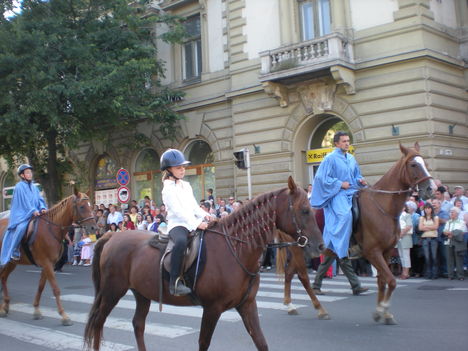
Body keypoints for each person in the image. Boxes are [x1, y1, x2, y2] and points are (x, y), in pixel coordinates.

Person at [161, 149, 212, 296]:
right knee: (181, 242)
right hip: (178, 224)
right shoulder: (167, 189)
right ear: (169, 170)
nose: (182, 170)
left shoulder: (186, 185)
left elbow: (194, 207)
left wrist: (207, 216)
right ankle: (175, 282)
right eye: (178, 167)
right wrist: (196, 224)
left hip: (192, 220)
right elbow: (178, 211)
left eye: (183, 167)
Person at [310, 131, 367, 259]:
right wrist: (340, 184)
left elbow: (356, 175)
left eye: (348, 141)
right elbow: (321, 178)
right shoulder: (329, 158)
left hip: (353, 191)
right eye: (344, 141)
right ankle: (341, 250)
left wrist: (361, 180)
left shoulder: (351, 158)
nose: (347, 144)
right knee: (345, 216)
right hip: (338, 194)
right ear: (337, 143)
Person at [0, 164, 48, 267]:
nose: (30, 174)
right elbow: (25, 202)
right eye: (27, 173)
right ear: (22, 175)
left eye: (30, 172)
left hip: (35, 214)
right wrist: (33, 210)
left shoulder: (34, 187)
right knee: (21, 228)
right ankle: (14, 250)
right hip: (22, 215)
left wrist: (43, 207)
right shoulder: (19, 187)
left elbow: (40, 199)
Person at [442, 207, 467, 280]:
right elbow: (444, 231)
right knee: (449, 259)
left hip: (458, 242)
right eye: (450, 212)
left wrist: (451, 233)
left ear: (457, 213)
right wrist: (451, 233)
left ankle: (460, 275)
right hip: (449, 242)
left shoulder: (461, 222)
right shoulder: (448, 222)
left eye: (453, 212)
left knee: (459, 259)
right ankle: (450, 275)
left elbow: (463, 231)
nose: (451, 213)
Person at [418, 202, 439, 279]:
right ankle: (428, 273)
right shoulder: (422, 218)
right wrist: (430, 227)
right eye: (426, 208)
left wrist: (425, 227)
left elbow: (436, 227)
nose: (427, 210)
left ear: (431, 209)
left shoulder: (435, 217)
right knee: (427, 257)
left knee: (434, 256)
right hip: (425, 239)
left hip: (433, 238)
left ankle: (434, 273)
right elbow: (420, 228)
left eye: (429, 208)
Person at [397, 204, 413, 279]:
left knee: (406, 255)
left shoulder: (407, 215)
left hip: (405, 236)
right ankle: (403, 271)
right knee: (401, 255)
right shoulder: (397, 216)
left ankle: (406, 272)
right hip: (398, 237)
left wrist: (401, 233)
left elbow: (409, 226)